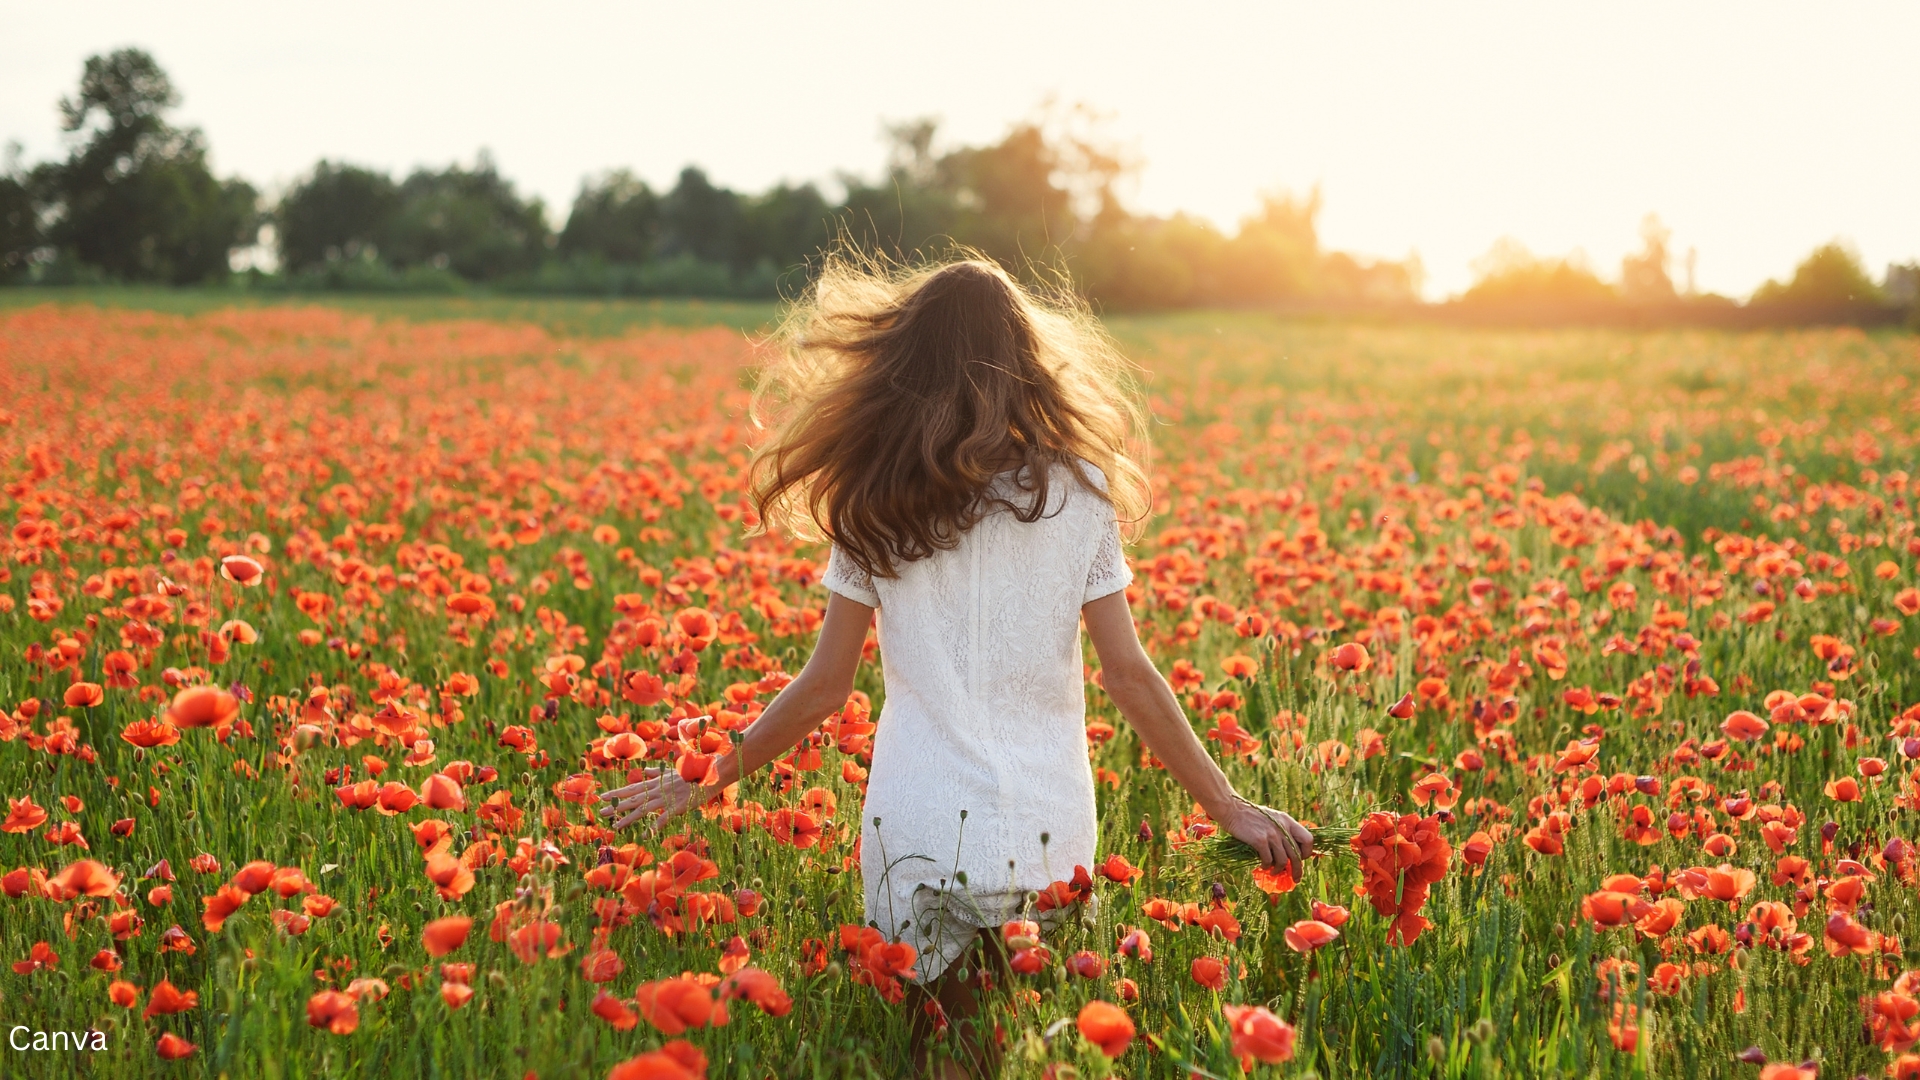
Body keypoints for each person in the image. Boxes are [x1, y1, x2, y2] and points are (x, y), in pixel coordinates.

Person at [600, 253, 1313, 1077]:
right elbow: (1128, 673)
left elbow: (824, 690)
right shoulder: (1078, 493)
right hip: (1043, 834)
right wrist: (1226, 806)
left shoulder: (876, 499)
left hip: (922, 826)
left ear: (903, 366)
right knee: (1011, 1053)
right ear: (1027, 364)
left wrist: (707, 774)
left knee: (938, 1054)